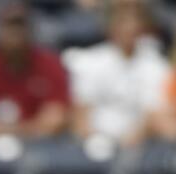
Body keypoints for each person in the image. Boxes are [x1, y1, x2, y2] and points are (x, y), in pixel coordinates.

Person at [0, 0, 71, 139]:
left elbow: (55, 118)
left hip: (41, 143)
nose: (15, 34)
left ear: (31, 31)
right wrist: (10, 131)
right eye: (9, 27)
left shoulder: (51, 64)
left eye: (20, 27)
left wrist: (18, 131)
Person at [65, 1, 169, 145]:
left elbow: (153, 114)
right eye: (123, 23)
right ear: (110, 27)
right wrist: (92, 139)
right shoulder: (90, 61)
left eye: (134, 23)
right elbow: (81, 113)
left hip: (139, 145)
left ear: (143, 28)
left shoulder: (156, 65)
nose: (129, 29)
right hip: (95, 142)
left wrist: (135, 138)